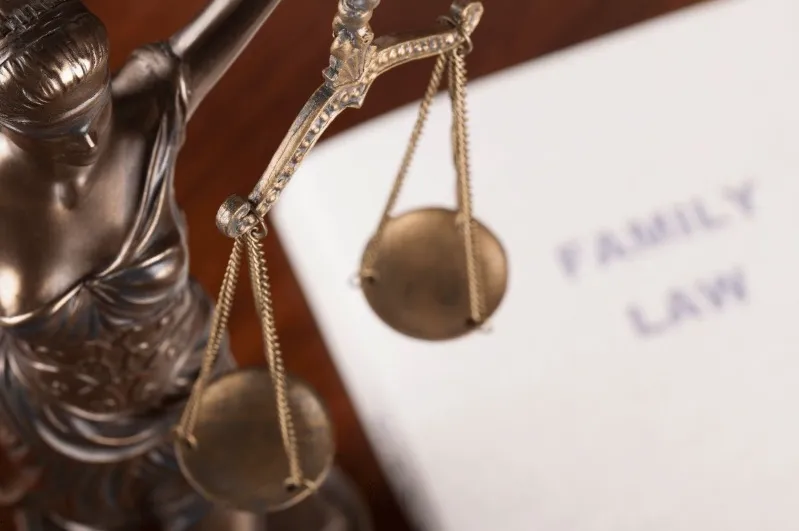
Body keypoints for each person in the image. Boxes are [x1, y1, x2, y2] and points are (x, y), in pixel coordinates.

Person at [0, 0, 285, 528]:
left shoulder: (144, 114)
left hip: (188, 378)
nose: (88, 139)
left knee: (234, 512)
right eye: (60, 131)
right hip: (66, 428)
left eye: (95, 108)